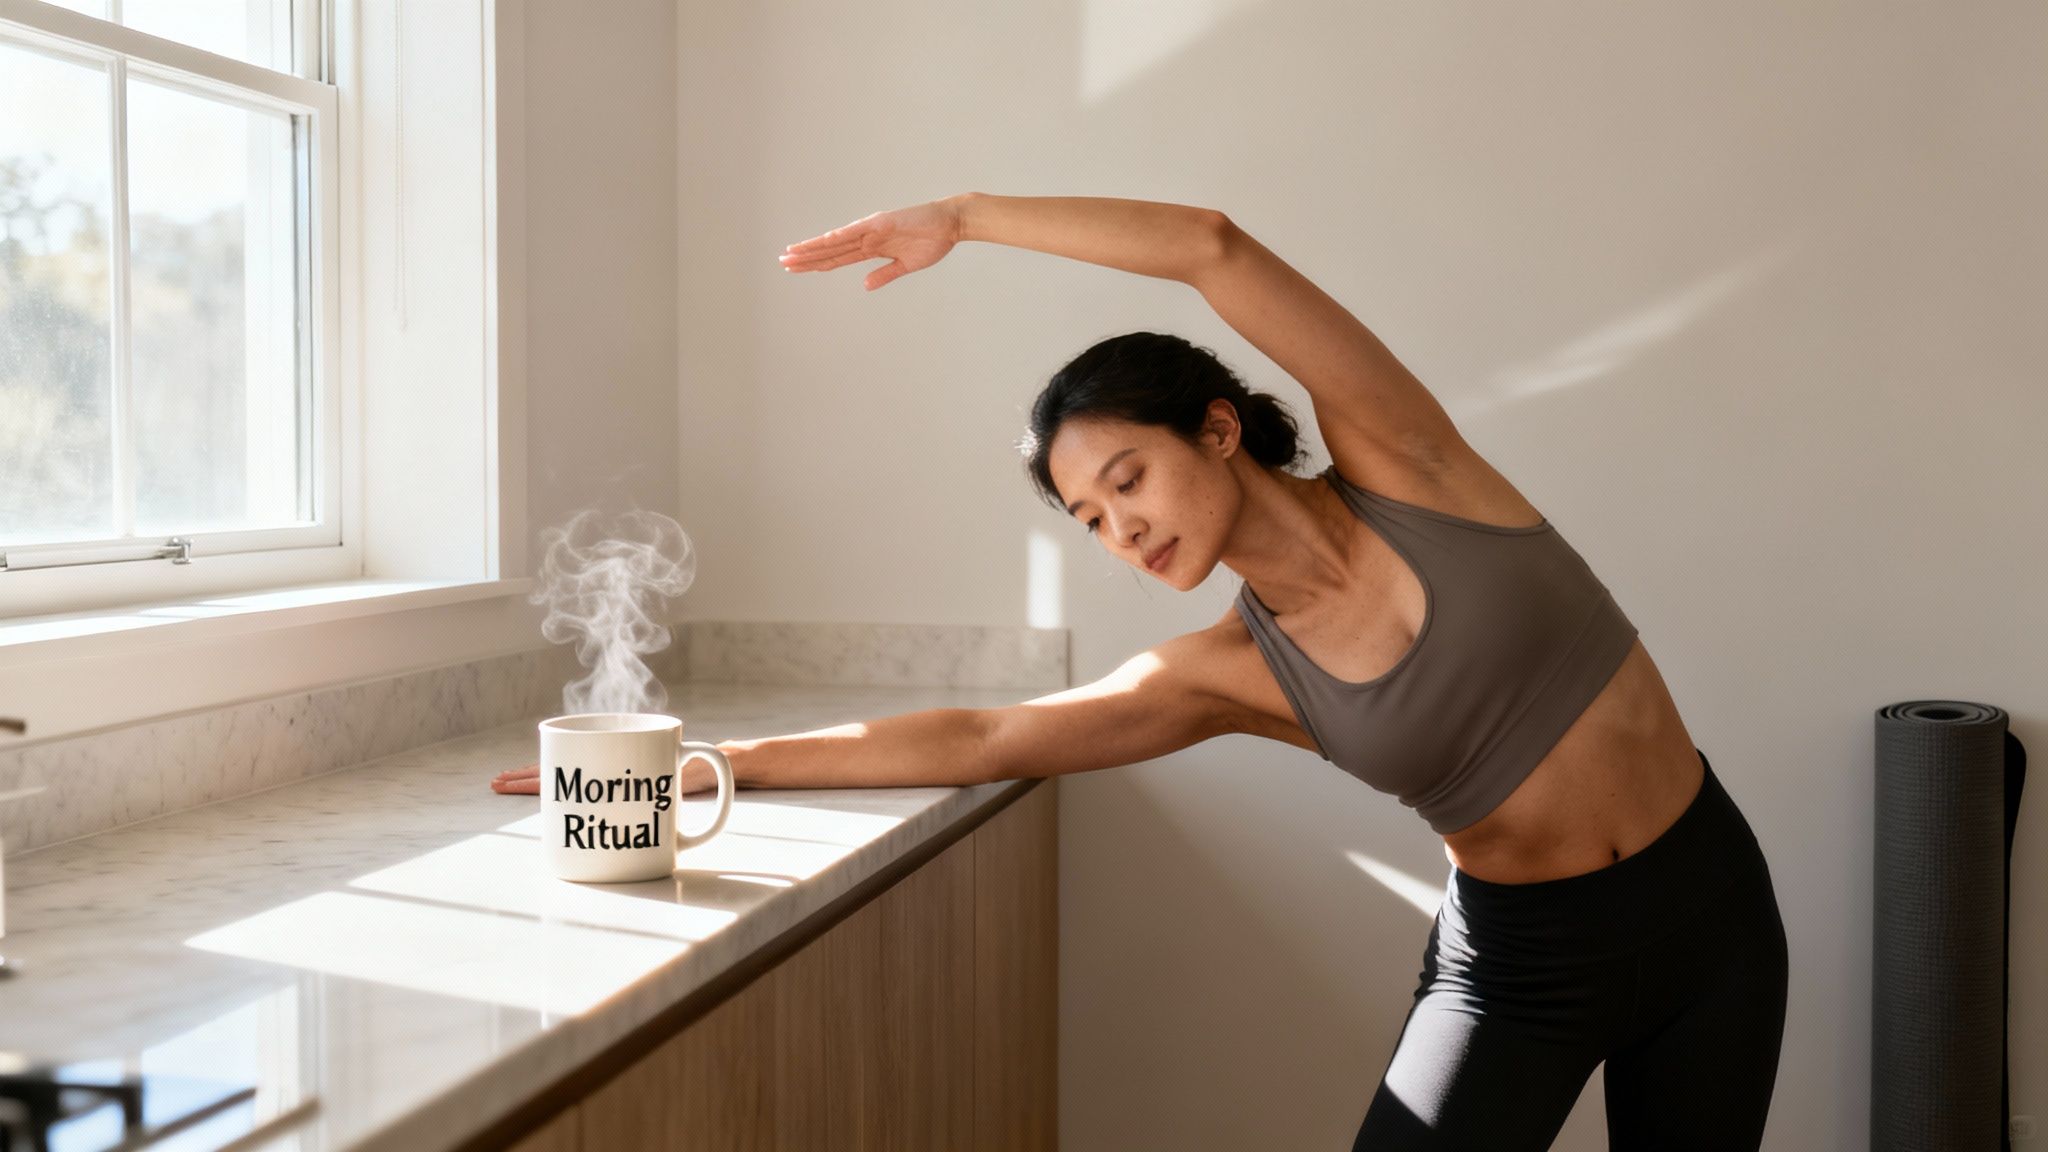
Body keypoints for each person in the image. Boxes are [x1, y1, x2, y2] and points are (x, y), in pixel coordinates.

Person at [491, 193, 1789, 1150]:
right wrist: (702, 770)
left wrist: (966, 217)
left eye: (1130, 480)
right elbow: (983, 739)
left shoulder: (1414, 468)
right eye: (1094, 521)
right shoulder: (1224, 671)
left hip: (1709, 910)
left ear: (1218, 430)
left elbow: (1215, 250)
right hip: (1520, 963)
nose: (1125, 529)